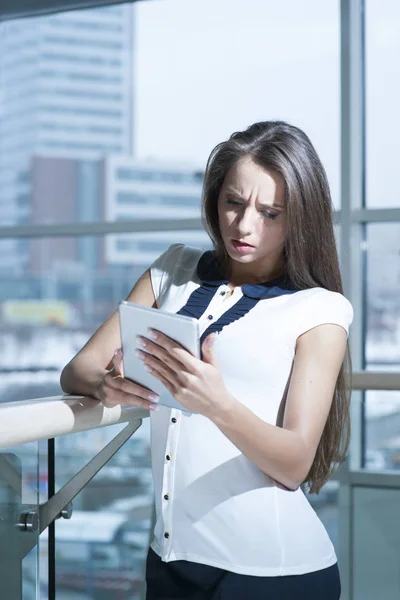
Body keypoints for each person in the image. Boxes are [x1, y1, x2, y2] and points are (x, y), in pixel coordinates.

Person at [61, 120, 353, 600]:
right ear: (215, 198)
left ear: (300, 216)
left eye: (270, 212)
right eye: (233, 203)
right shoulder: (172, 268)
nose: (244, 225)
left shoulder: (319, 309)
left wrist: (218, 403)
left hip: (272, 573)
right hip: (171, 561)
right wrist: (105, 385)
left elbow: (296, 463)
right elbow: (78, 368)